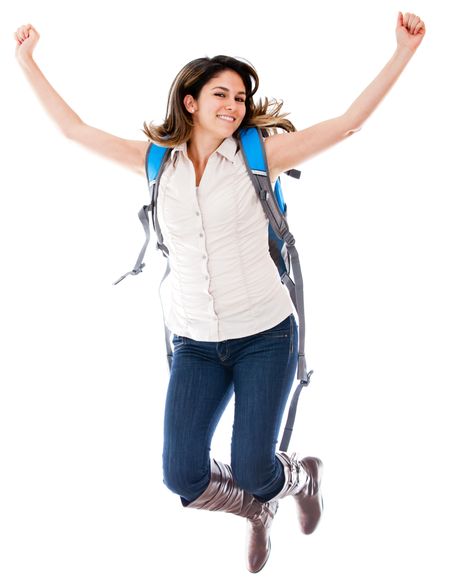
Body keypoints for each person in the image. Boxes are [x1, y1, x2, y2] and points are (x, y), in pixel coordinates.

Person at [14, 12, 426, 573]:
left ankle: (302, 477)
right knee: (181, 475)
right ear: (191, 101)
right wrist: (25, 60)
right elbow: (74, 130)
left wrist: (403, 51)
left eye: (240, 97)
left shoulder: (262, 157)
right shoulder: (159, 163)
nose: (233, 105)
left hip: (264, 334)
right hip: (197, 342)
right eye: (220, 94)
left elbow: (349, 123)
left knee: (257, 468)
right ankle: (258, 512)